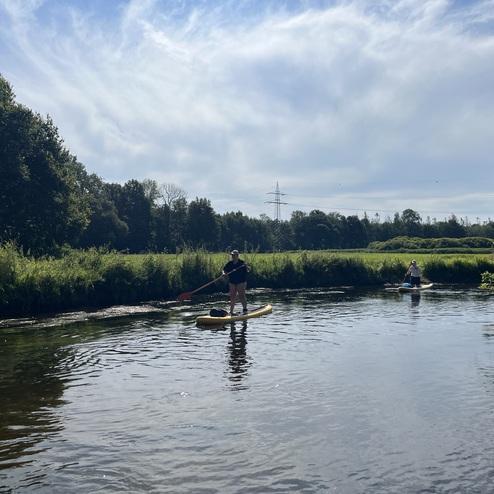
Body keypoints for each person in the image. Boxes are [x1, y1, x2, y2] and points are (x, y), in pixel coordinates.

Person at [223, 249, 249, 315]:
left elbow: (248, 270)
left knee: (241, 295)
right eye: (232, 255)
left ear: (237, 256)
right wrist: (224, 273)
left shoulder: (242, 263)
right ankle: (231, 311)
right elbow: (224, 270)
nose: (233, 256)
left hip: (241, 281)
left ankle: (245, 309)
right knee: (232, 296)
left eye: (234, 255)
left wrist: (246, 266)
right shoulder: (230, 263)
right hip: (232, 281)